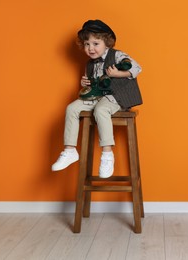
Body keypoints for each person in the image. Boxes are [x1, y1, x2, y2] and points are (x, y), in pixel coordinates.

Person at [52, 19, 142, 178]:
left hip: (116, 97)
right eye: (87, 44)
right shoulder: (90, 64)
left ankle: (107, 154)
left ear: (106, 42)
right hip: (97, 96)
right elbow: (93, 84)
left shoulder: (117, 55)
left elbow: (136, 68)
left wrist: (118, 74)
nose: (90, 48)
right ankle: (70, 150)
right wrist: (84, 82)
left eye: (95, 43)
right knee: (72, 108)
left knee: (101, 110)